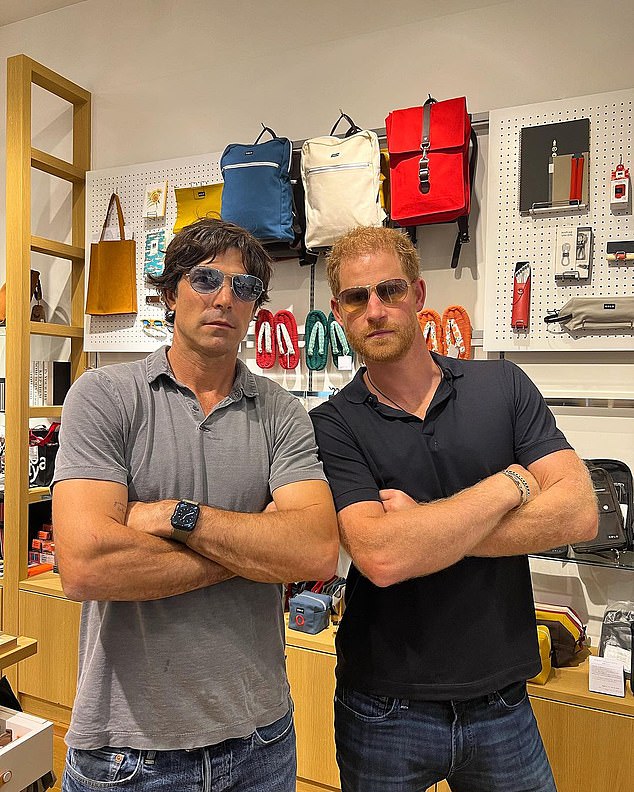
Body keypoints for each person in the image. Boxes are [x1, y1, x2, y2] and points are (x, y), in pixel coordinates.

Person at [52, 218, 339, 792]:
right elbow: (86, 564)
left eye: (245, 288)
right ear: (170, 292)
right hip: (128, 753)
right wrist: (255, 552)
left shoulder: (281, 412)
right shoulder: (105, 395)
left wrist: (175, 517)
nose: (225, 298)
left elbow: (314, 552)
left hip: (259, 741)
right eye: (206, 279)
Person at [309, 225, 598, 792]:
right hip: (383, 707)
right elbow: (383, 556)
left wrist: (424, 526)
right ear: (340, 314)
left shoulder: (503, 387)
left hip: (503, 703)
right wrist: (509, 485)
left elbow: (578, 512)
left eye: (389, 291)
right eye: (356, 298)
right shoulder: (331, 425)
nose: (375, 309)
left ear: (418, 295)